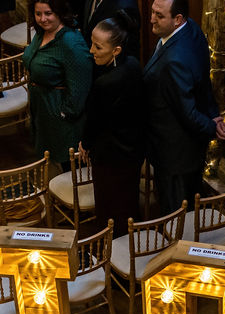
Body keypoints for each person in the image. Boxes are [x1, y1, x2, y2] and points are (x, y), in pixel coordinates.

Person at [143, 0, 225, 215]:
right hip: (186, 149)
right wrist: (213, 115)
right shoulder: (191, 29)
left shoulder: (174, 61)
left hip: (175, 153)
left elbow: (187, 113)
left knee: (175, 214)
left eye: (159, 16)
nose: (152, 19)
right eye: (153, 12)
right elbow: (202, 84)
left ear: (177, 19)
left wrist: (212, 127)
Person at [80, 11, 144, 238]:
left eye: (98, 47)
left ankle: (111, 248)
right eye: (92, 44)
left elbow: (94, 121)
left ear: (116, 50)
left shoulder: (105, 83)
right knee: (128, 201)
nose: (91, 51)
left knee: (109, 206)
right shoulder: (134, 65)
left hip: (109, 156)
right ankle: (130, 243)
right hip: (133, 152)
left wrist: (85, 144)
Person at [23, 0, 93, 167]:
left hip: (63, 121)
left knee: (70, 170)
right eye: (38, 14)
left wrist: (63, 113)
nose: (42, 19)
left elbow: (81, 87)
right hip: (44, 113)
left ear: (60, 13)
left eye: (48, 13)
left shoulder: (71, 43)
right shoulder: (41, 33)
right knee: (54, 163)